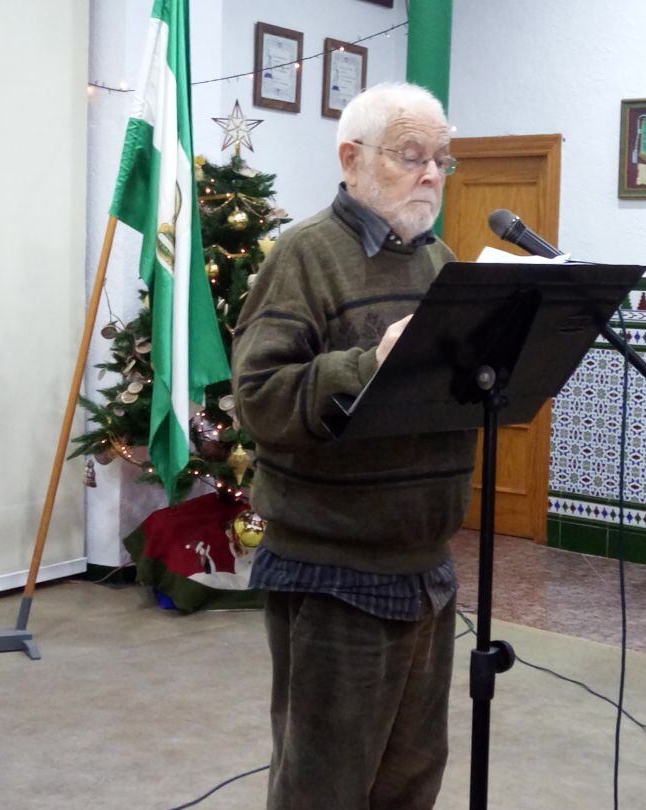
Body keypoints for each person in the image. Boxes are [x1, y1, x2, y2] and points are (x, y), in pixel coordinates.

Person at [231, 82, 476, 809]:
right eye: (410, 155)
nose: (430, 174)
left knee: (410, 778)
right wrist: (370, 364)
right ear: (352, 158)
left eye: (440, 159)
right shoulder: (306, 255)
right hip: (334, 570)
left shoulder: (438, 262)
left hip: (425, 566)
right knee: (326, 784)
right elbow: (260, 397)